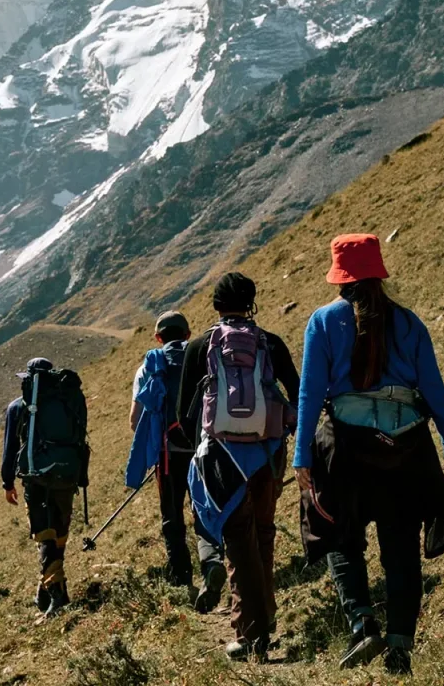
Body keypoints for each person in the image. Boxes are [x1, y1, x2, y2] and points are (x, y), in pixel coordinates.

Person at [295, 234, 444, 676]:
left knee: (339, 535)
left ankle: (362, 623)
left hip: (347, 452)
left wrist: (301, 456)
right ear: (378, 273)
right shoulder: (409, 323)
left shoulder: (322, 322)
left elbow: (310, 394)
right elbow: (434, 392)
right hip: (407, 450)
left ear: (339, 279)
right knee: (401, 548)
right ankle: (400, 645)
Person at [182, 273, 299, 662]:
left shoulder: (200, 347)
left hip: (223, 459)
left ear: (215, 305)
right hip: (268, 454)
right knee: (263, 533)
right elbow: (296, 394)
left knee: (237, 541)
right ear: (252, 303)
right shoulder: (271, 343)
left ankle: (250, 635)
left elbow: (184, 415)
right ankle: (266, 620)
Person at [125, 310, 226, 612]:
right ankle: (211, 563)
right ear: (187, 333)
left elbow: (135, 420)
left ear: (158, 337)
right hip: (202, 449)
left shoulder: (150, 365)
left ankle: (181, 575)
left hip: (168, 455)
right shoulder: (201, 355)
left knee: (172, 515)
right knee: (203, 509)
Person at [1, 358, 88, 615]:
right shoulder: (69, 399)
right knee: (59, 530)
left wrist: (7, 482)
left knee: (44, 534)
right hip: (67, 473)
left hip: (35, 477)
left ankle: (57, 598)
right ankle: (47, 590)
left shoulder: (18, 407)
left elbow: (9, 450)